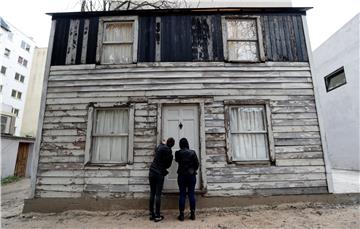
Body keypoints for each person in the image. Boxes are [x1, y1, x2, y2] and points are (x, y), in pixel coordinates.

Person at [148, 137, 175, 222]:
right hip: (159, 174)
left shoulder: (159, 147)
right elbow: (168, 166)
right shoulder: (169, 152)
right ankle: (157, 215)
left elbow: (157, 149)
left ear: (166, 142)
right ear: (172, 145)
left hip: (152, 171)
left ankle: (151, 214)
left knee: (152, 193)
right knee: (158, 194)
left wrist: (162, 143)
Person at [175, 138, 199, 221]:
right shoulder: (192, 152)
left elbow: (177, 160)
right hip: (191, 175)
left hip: (181, 175)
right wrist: (192, 170)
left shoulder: (178, 153)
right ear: (187, 144)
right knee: (191, 194)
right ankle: (192, 214)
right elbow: (197, 164)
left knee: (182, 194)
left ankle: (181, 215)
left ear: (180, 144)